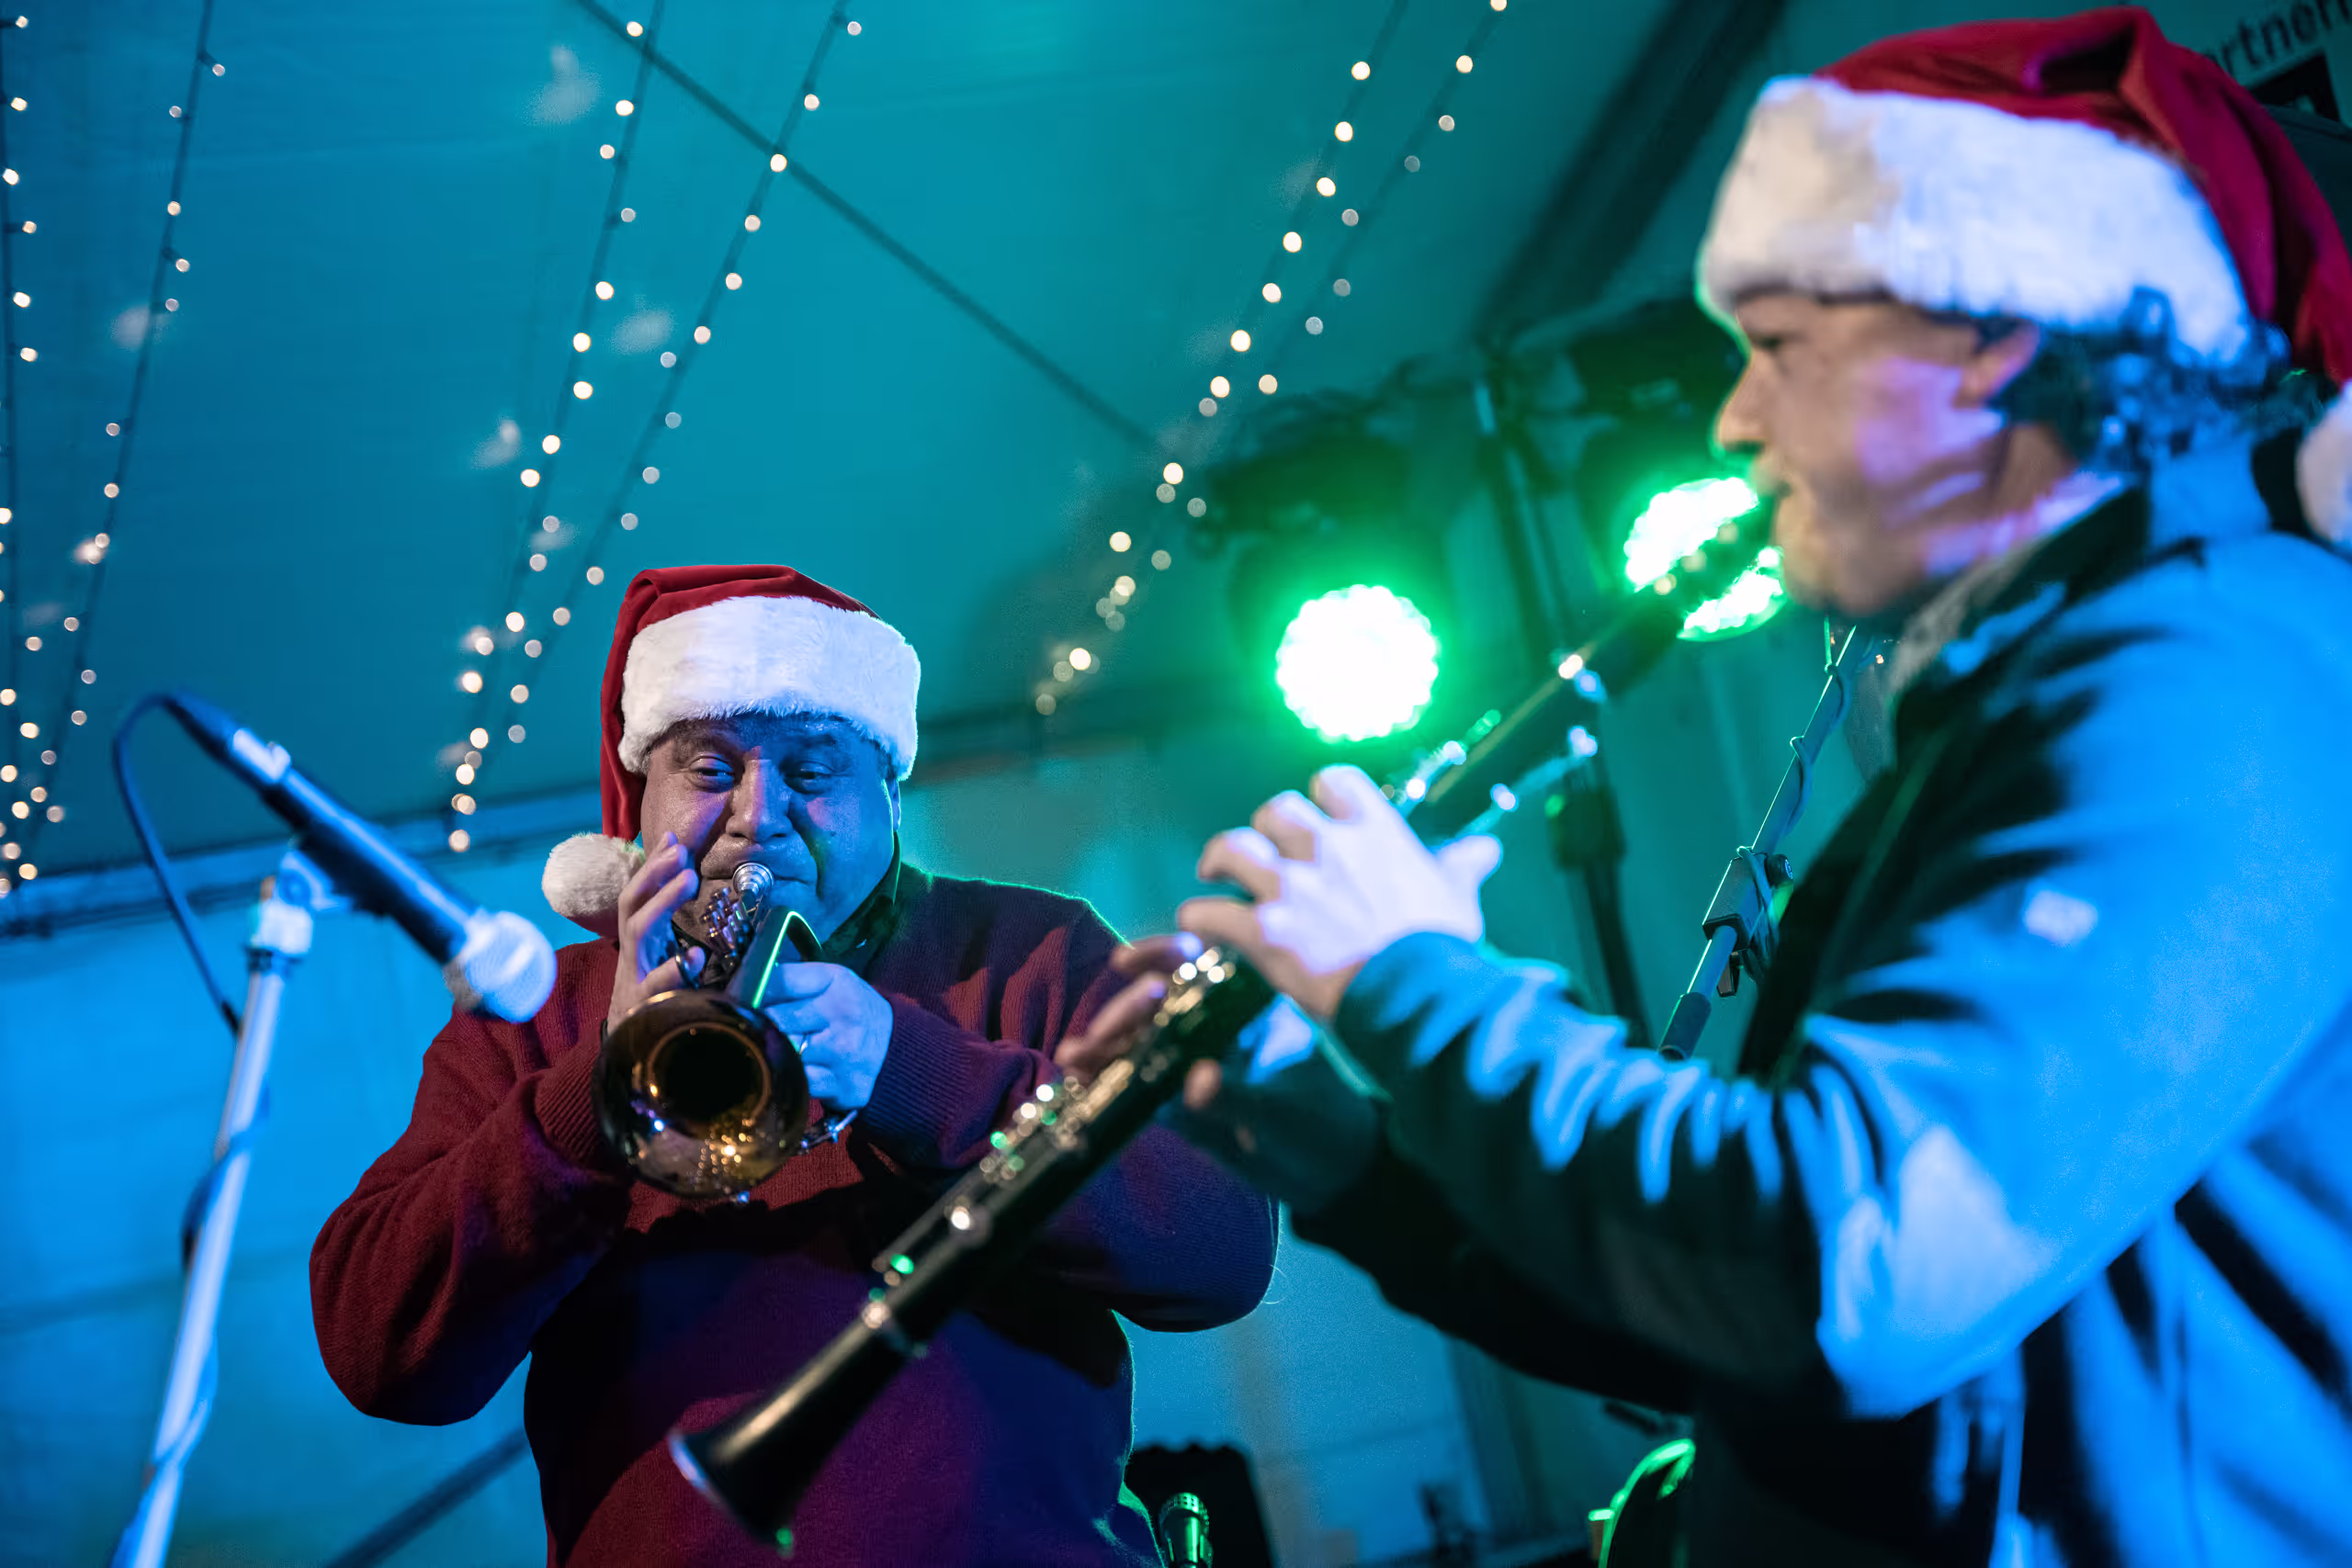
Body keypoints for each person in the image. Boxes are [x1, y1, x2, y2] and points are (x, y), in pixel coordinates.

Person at [1066, 13, 2352, 1565]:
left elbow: (1841, 1275)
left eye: (1781, 346)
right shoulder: (2049, 700)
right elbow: (1726, 1320)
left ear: (1996, 337)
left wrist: (1410, 976)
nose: (1735, 417)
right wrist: (1346, 1151)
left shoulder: (2206, 674)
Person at [311, 564, 1277, 1568]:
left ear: (888, 792)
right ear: (641, 799)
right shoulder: (539, 1011)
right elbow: (379, 1356)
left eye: (813, 773)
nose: (758, 816)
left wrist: (909, 1069)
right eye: (710, 769)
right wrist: (590, 1096)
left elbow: (1223, 1248)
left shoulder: (1029, 950)